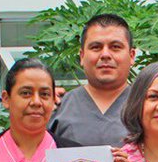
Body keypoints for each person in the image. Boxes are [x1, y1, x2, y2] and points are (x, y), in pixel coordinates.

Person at [48, 13, 134, 149]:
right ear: (82, 56)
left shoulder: (147, 105)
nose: (105, 55)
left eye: (115, 47)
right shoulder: (57, 107)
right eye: (96, 47)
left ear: (131, 55)